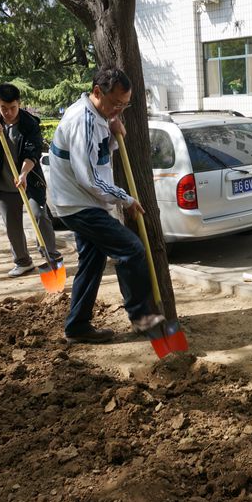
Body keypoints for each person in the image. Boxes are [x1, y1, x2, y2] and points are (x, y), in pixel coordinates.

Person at [46, 66, 163, 344]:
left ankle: (77, 326)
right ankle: (142, 317)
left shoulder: (99, 116)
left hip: (83, 201)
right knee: (131, 249)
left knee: (92, 261)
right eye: (115, 104)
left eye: (125, 105)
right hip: (79, 204)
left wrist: (112, 133)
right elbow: (89, 178)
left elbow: (98, 153)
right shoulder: (83, 120)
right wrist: (126, 198)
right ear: (97, 92)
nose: (119, 110)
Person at [0, 83, 61, 277]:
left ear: (19, 103)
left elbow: (32, 151)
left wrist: (23, 174)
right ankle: (22, 261)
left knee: (39, 215)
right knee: (11, 222)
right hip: (3, 181)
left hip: (29, 178)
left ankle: (51, 258)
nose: (9, 112)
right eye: (4, 108)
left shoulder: (30, 123)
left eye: (13, 107)